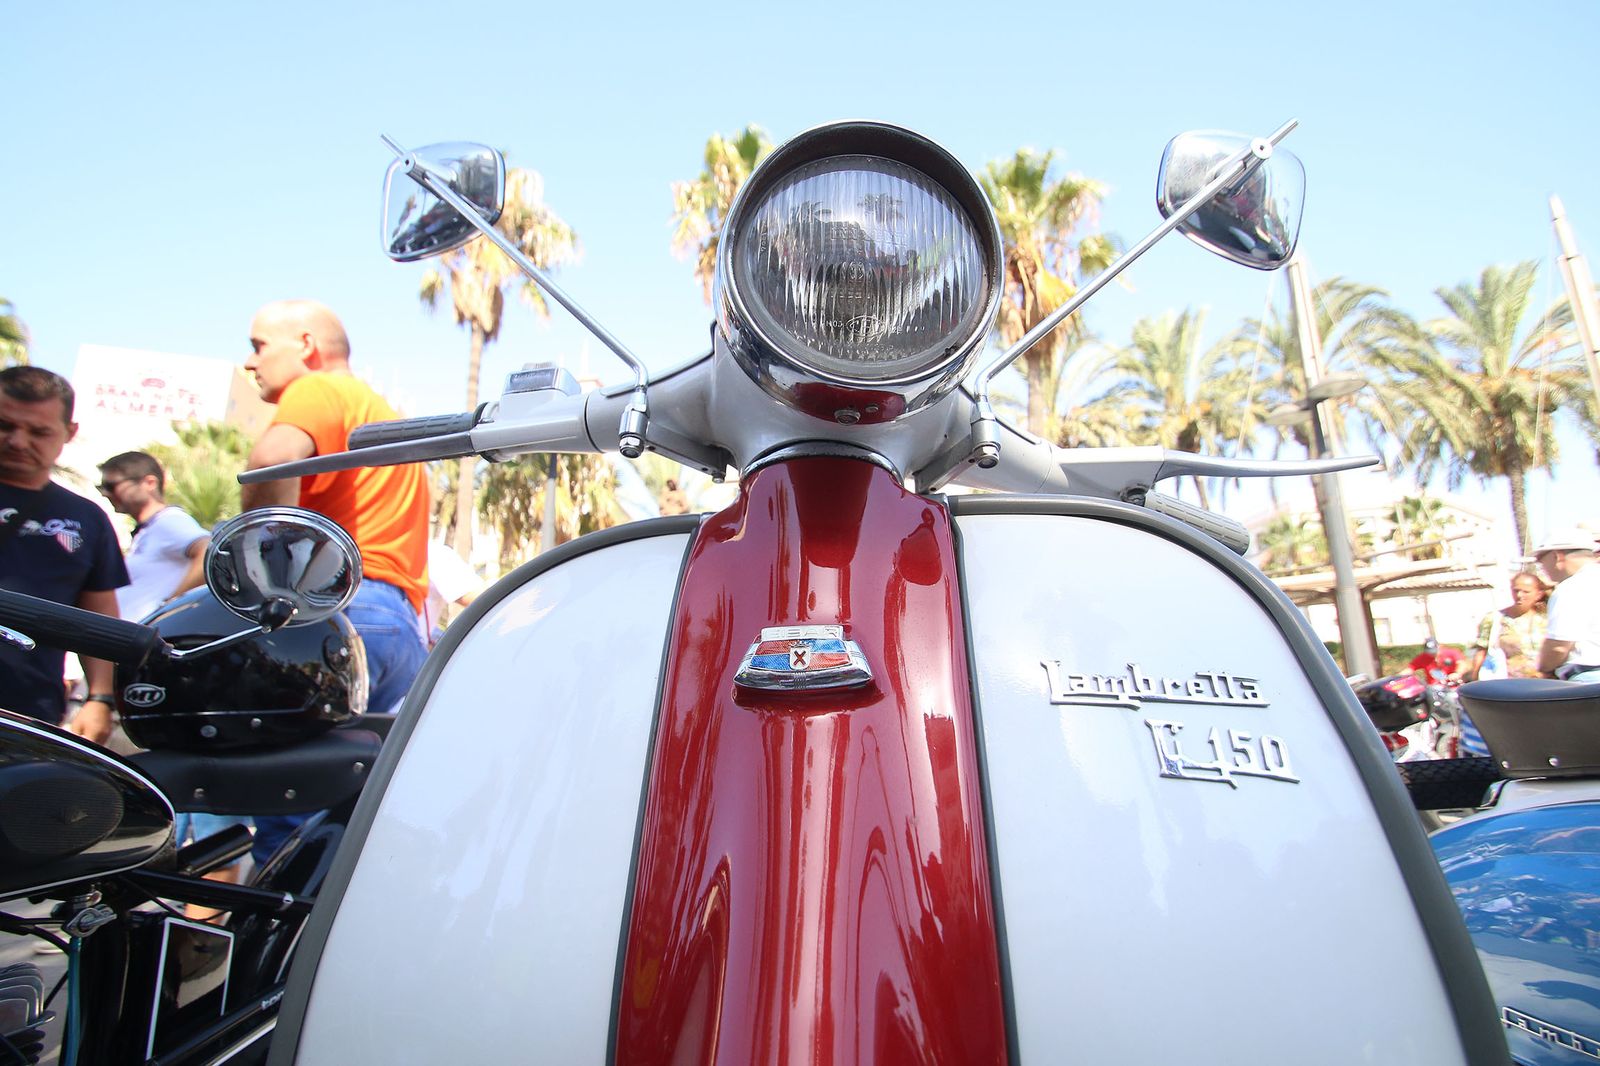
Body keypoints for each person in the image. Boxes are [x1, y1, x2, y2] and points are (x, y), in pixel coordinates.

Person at [241, 300, 431, 862]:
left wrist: (260, 585)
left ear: (304, 345)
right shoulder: (381, 412)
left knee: (289, 815)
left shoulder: (318, 389)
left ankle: (283, 943)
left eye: (257, 346)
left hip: (334, 615)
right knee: (353, 822)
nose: (250, 363)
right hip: (396, 625)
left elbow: (268, 464)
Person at [0, 366, 128, 744]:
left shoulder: (86, 518)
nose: (18, 441)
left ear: (69, 433)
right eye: (5, 425)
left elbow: (98, 615)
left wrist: (100, 697)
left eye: (38, 432)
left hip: (25, 714)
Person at [97, 451, 209, 622]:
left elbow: (208, 550)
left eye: (111, 486)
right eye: (101, 487)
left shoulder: (169, 521)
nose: (105, 493)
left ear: (149, 483)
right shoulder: (151, 528)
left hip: (152, 639)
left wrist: (172, 607)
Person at [1534, 528, 1600, 682]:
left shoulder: (1571, 588)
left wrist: (1543, 668)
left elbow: (1559, 646)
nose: (1542, 569)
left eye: (1541, 562)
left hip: (1589, 681)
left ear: (1557, 556)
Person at [1465, 571, 1549, 681]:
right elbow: (1482, 652)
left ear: (1538, 594)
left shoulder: (1547, 620)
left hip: (1543, 684)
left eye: (1526, 592)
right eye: (1516, 591)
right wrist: (1475, 681)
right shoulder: (1495, 619)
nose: (1519, 595)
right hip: (1507, 684)